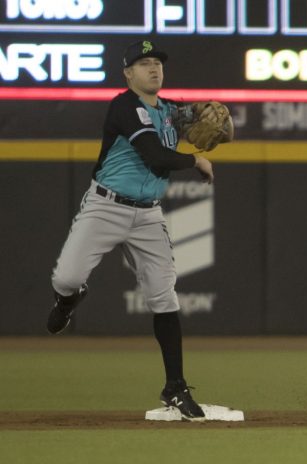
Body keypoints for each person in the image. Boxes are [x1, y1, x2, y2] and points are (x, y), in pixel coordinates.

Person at [47, 40, 232, 421]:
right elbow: (154, 155)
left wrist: (204, 114)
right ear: (128, 73)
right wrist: (196, 159)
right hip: (105, 206)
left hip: (147, 215)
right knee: (66, 278)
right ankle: (69, 298)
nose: (154, 69)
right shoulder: (124, 107)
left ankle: (175, 388)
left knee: (164, 298)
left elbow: (201, 117)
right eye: (144, 63)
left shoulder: (167, 110)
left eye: (158, 63)